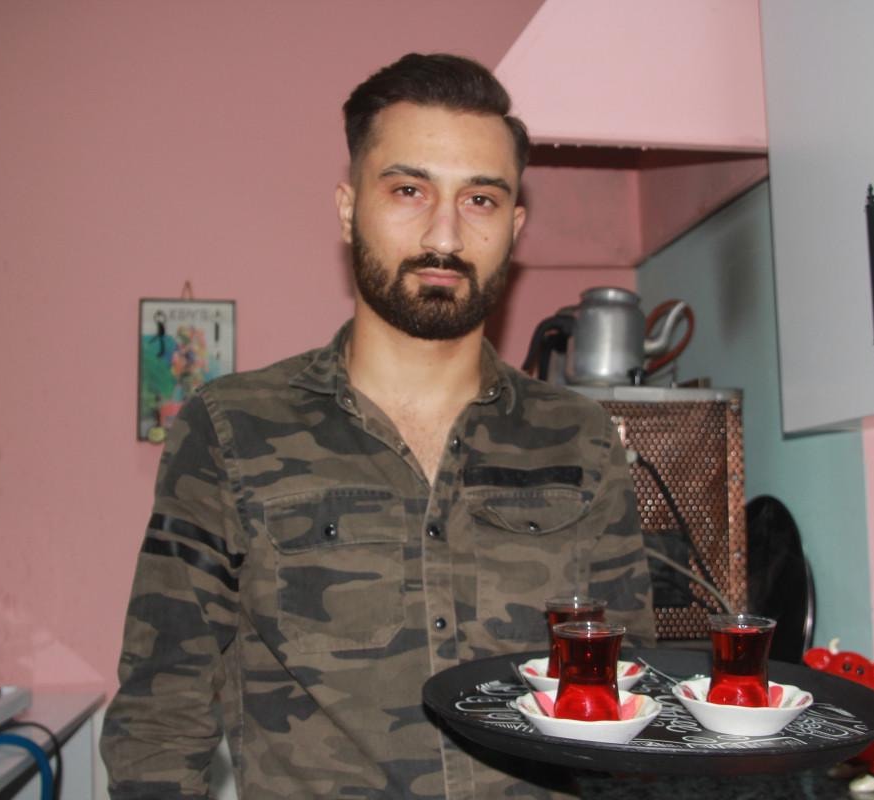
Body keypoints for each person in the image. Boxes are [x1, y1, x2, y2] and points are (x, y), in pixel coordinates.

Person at [101, 52, 655, 799]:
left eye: (480, 199)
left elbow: (630, 696)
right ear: (347, 208)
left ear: (514, 227)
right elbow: (159, 719)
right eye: (408, 190)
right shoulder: (230, 431)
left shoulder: (581, 438)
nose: (445, 234)